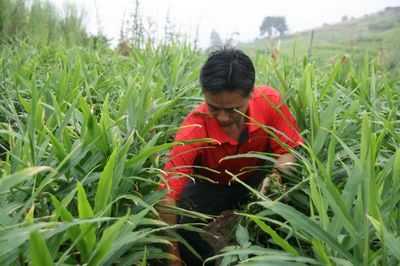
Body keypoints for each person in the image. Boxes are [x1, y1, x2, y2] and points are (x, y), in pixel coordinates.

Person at [158, 48, 303, 266]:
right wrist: (172, 256)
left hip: (256, 182)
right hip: (211, 188)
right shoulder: (193, 128)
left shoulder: (269, 101)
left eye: (234, 109)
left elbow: (288, 151)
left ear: (250, 93)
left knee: (289, 212)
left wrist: (275, 179)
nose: (224, 118)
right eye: (214, 108)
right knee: (184, 224)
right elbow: (168, 195)